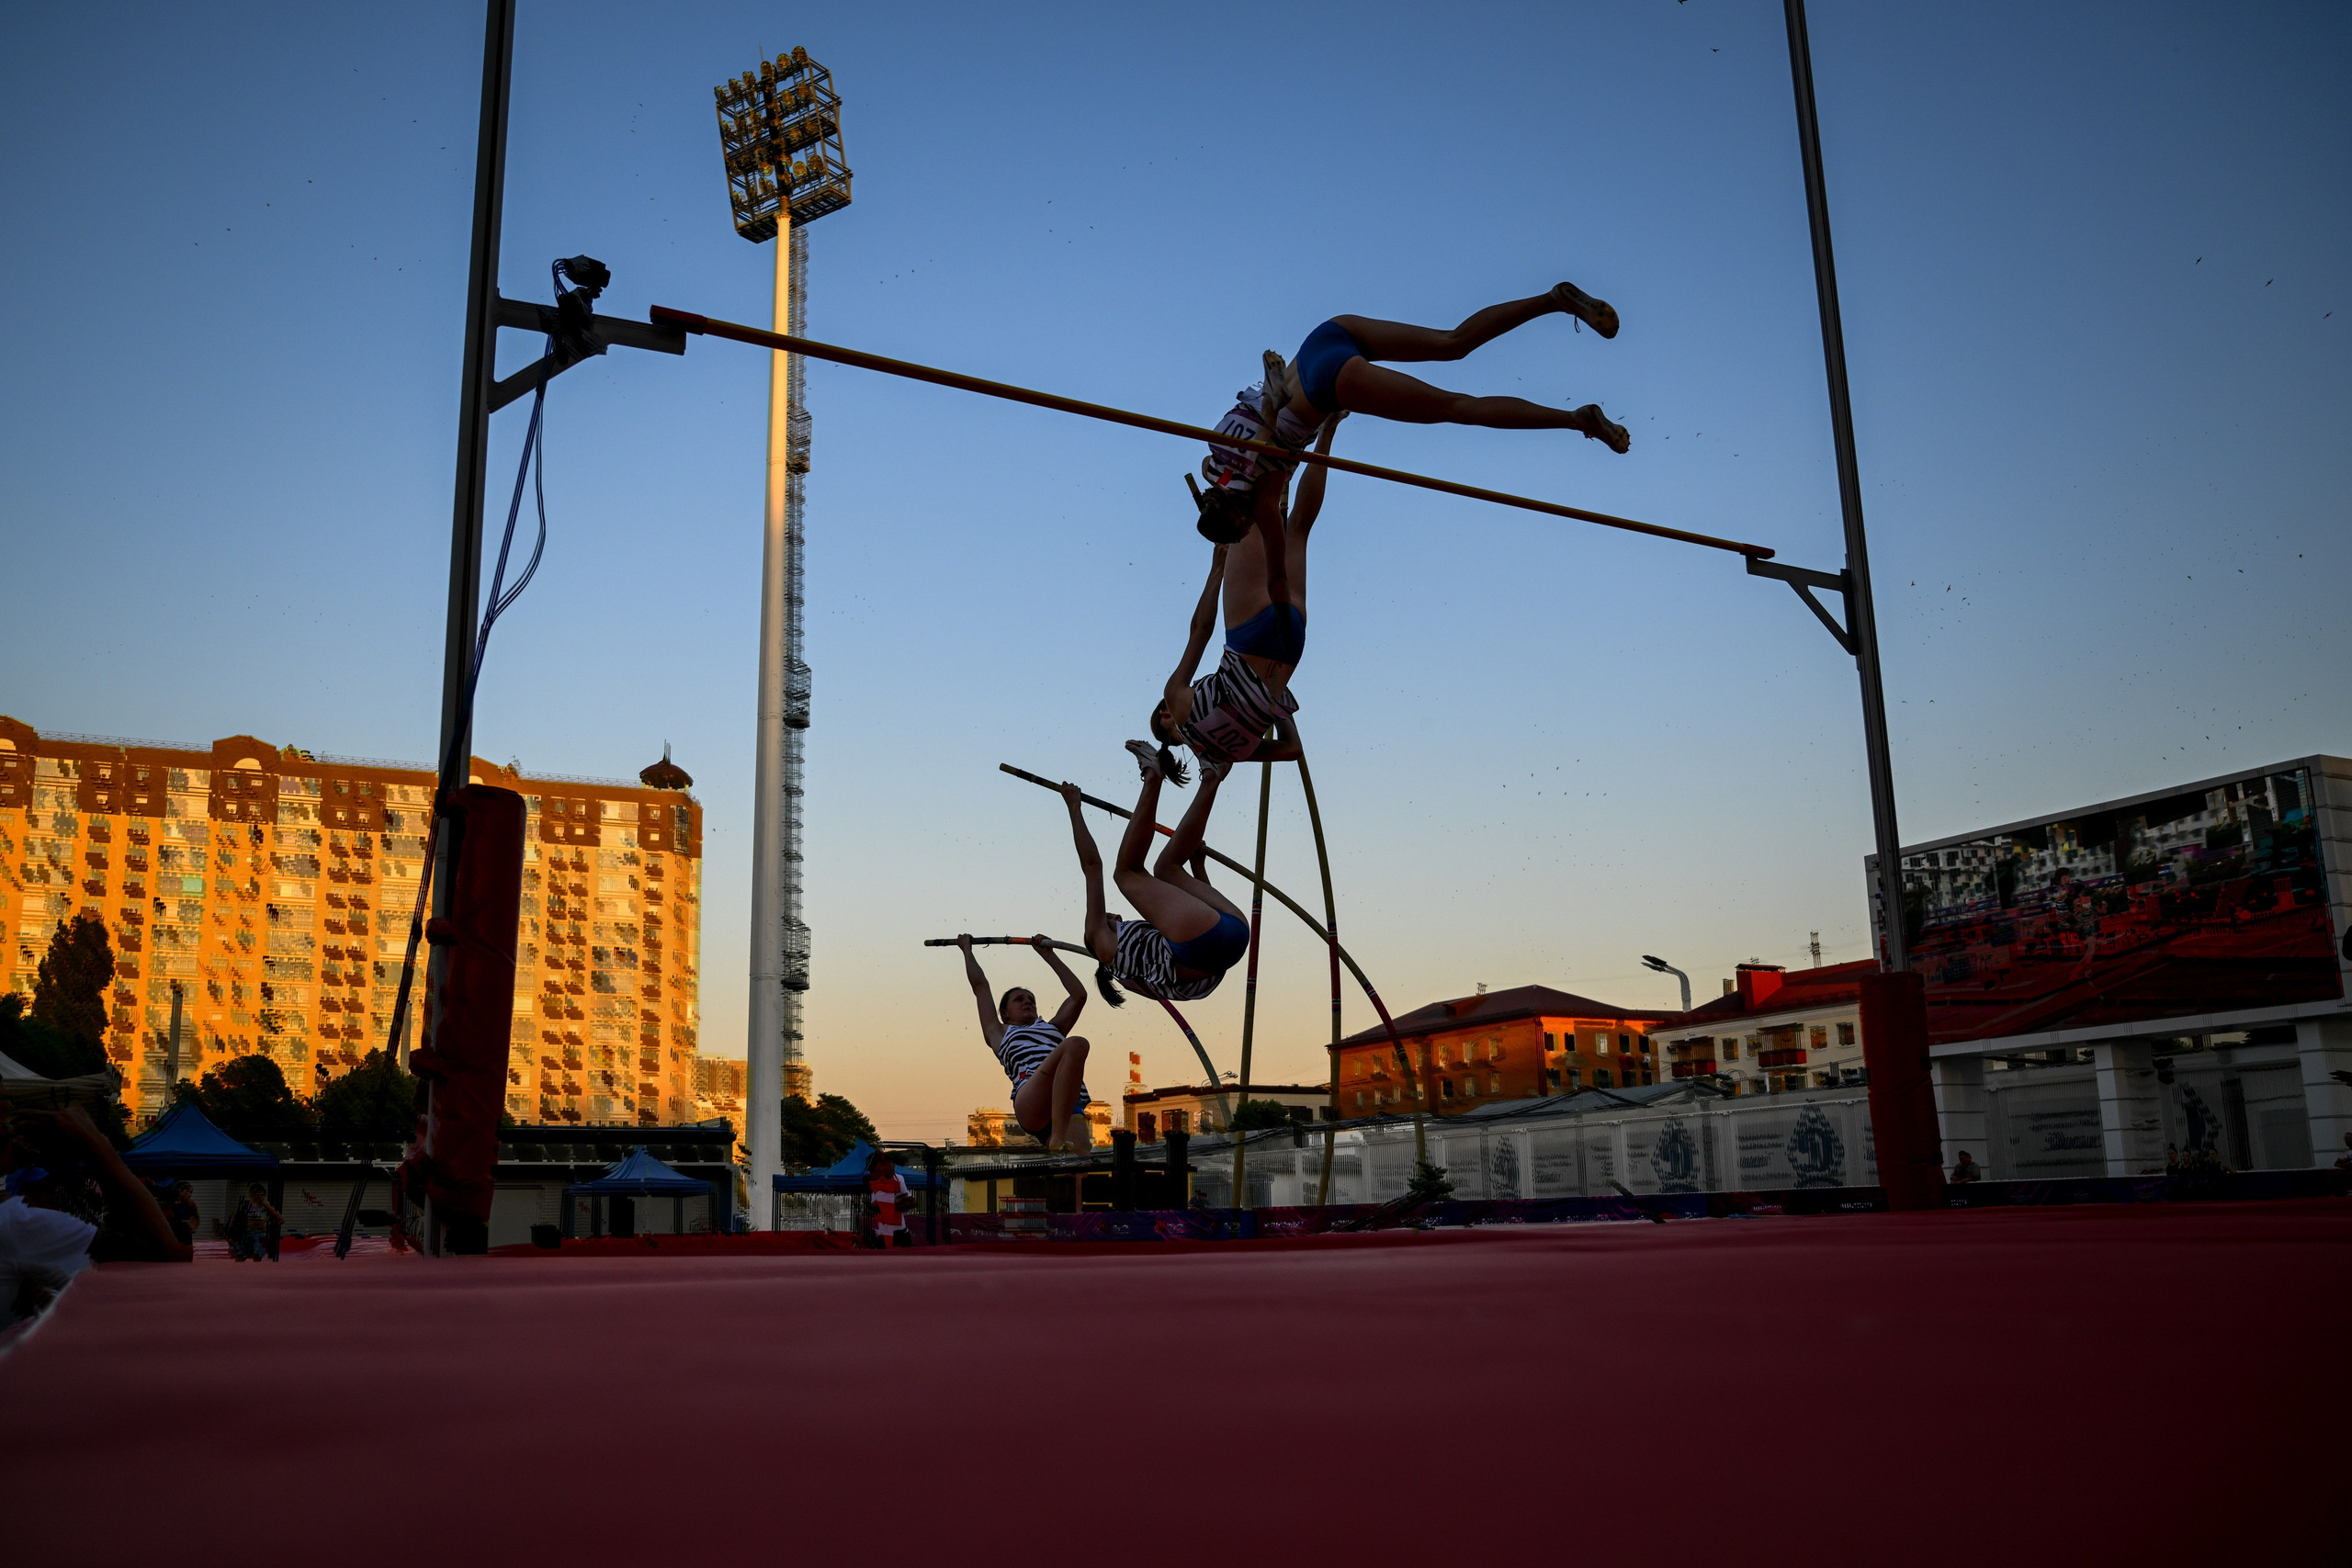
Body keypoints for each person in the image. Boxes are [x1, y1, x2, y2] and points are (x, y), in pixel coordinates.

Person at [1193, 282, 1630, 547]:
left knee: (1460, 408)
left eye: (1244, 525)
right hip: (1324, 338)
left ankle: (1578, 419)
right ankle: (1554, 300)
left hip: (1328, 385)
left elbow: (1276, 558)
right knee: (1452, 342)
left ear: (1237, 517)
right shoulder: (1215, 456)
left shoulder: (1260, 495)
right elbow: (1224, 463)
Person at [1147, 413, 1345, 780]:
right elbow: (1200, 630)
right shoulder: (1176, 699)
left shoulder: (1230, 755)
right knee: (1250, 507)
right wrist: (1217, 569)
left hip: (1289, 647)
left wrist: (1275, 704)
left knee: (1298, 531)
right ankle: (1282, 421)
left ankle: (1329, 429)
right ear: (1164, 715)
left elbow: (1292, 749)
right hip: (1247, 637)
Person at [1065, 753, 1249, 1010]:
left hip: (1233, 939)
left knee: (1167, 869)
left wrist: (1197, 867)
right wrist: (1074, 808)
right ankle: (1153, 777)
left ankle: (1212, 777)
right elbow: (1093, 867)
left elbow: (1206, 922)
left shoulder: (1141, 959)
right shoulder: (1101, 941)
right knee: (1126, 873)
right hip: (1214, 938)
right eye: (1107, 916)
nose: (1114, 914)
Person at [2, 1105, 190, 1331]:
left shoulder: (20, 1225)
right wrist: (95, 1145)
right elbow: (165, 1252)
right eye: (2, 1112)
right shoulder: (17, 1223)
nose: (9, 1129)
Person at [957, 933, 1094, 1153]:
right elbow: (980, 986)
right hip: (1031, 1099)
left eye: (1031, 1000)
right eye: (1019, 999)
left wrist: (1049, 956)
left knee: (1079, 1167)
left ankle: (1056, 1145)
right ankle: (1057, 1138)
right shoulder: (999, 1032)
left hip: (1067, 1105)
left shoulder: (1053, 1028)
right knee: (1076, 1043)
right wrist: (967, 950)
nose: (1027, 1002)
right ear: (1004, 1013)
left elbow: (1079, 995)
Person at [228, 1180, 281, 1263]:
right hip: (247, 1232)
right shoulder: (244, 1204)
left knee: (257, 1255)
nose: (258, 1196)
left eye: (261, 1194)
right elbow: (234, 1218)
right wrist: (231, 1234)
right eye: (255, 1193)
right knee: (241, 1255)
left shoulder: (265, 1204)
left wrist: (264, 1221)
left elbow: (277, 1216)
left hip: (259, 1234)